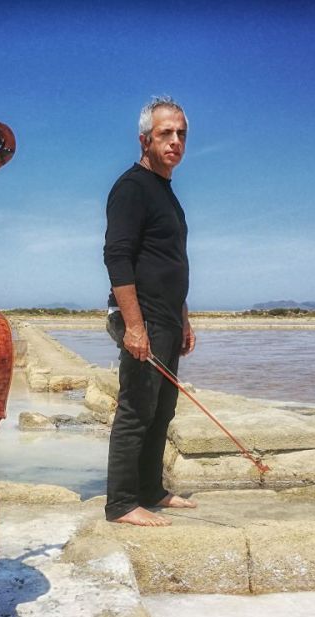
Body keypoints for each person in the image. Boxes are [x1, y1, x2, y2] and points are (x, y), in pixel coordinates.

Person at [102, 96, 197, 527]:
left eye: (181, 134)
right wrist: (135, 327)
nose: (175, 141)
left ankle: (150, 490)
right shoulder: (132, 187)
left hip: (167, 318)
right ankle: (122, 502)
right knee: (137, 409)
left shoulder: (166, 192)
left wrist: (184, 318)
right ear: (145, 139)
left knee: (163, 410)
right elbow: (117, 257)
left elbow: (168, 260)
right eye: (166, 133)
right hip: (144, 319)